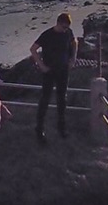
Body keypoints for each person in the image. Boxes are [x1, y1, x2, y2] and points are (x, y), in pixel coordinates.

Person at [30, 12, 77, 143]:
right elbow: (33, 49)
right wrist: (41, 65)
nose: (65, 30)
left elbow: (74, 42)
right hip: (49, 71)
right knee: (45, 99)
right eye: (63, 27)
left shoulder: (68, 33)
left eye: (67, 27)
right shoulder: (47, 35)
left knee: (62, 99)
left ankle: (61, 127)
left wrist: (73, 58)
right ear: (58, 23)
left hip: (63, 70)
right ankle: (39, 129)